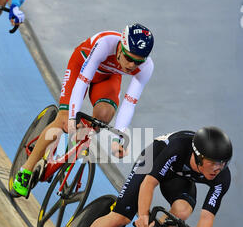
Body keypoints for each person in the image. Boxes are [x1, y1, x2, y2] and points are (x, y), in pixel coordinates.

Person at [54, 126, 233, 227]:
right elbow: (149, 183)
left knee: (183, 211)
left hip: (179, 178)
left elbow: (207, 216)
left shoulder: (222, 177)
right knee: (121, 217)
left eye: (223, 163)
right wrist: (143, 214)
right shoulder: (178, 148)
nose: (218, 168)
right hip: (153, 160)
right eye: (214, 162)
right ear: (199, 157)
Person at [12, 23, 155, 197]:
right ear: (121, 47)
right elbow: (82, 81)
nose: (132, 65)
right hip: (81, 68)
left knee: (102, 117)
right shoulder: (105, 43)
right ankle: (25, 171)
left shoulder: (146, 67)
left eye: (138, 61)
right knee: (64, 120)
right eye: (129, 58)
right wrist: (71, 116)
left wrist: (118, 138)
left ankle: (72, 146)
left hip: (107, 77)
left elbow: (129, 103)